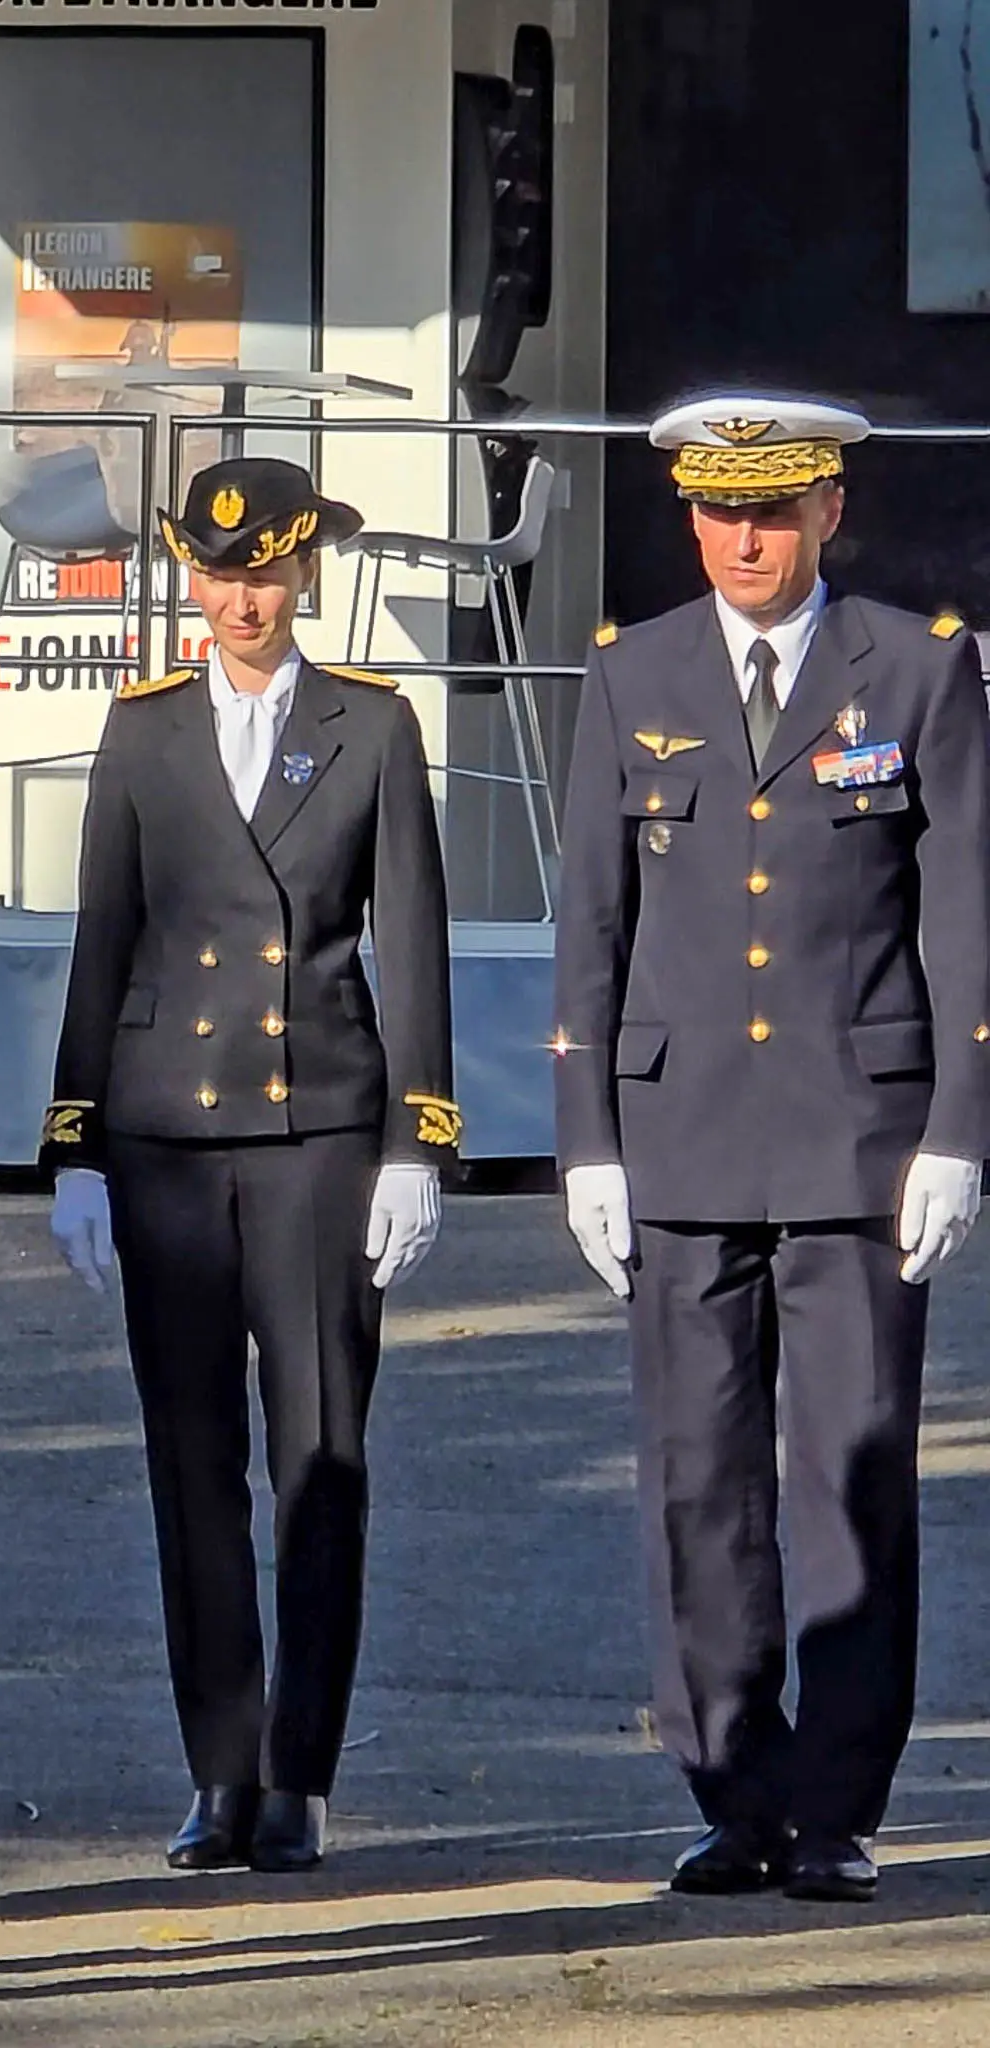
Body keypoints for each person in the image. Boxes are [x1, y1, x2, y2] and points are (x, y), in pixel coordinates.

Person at [553, 396, 990, 1905]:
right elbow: (593, 920)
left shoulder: (919, 668)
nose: (745, 537)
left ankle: (839, 1801)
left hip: (858, 1137)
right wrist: (584, 1141)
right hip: (677, 1138)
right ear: (689, 516)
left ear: (829, 513)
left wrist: (958, 1131)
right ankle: (732, 1786)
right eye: (719, 510)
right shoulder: (634, 672)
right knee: (695, 1479)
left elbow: (966, 912)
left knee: (850, 1477)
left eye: (775, 509)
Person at [42, 457, 456, 1876]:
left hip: (320, 1128)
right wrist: (75, 1144)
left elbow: (412, 940)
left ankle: (303, 1772)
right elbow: (102, 941)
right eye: (217, 577)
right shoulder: (144, 731)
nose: (240, 602)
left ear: (304, 576)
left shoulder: (373, 728)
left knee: (320, 1454)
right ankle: (221, 1770)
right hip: (165, 1132)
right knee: (190, 1462)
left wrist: (420, 1137)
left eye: (264, 575)